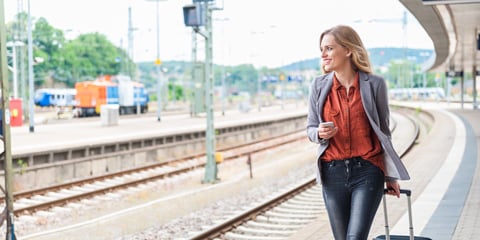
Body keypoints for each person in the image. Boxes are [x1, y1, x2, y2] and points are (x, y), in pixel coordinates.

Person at [306, 25, 410, 240]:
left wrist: (390, 175)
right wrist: (319, 133)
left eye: (329, 48)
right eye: (321, 49)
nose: (323, 54)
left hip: (367, 171)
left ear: (348, 50)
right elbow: (310, 128)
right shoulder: (318, 85)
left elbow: (383, 132)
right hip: (332, 172)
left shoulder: (374, 84)